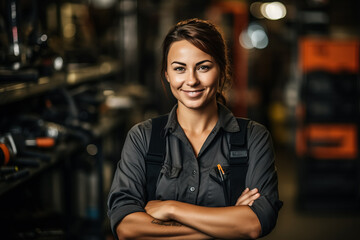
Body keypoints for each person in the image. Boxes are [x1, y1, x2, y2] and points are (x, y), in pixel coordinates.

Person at [107, 18, 282, 240]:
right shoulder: (143, 137)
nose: (191, 80)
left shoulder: (253, 138)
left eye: (203, 67)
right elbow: (126, 227)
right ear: (167, 74)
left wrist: (171, 209)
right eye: (180, 68)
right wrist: (228, 225)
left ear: (221, 70)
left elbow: (255, 223)